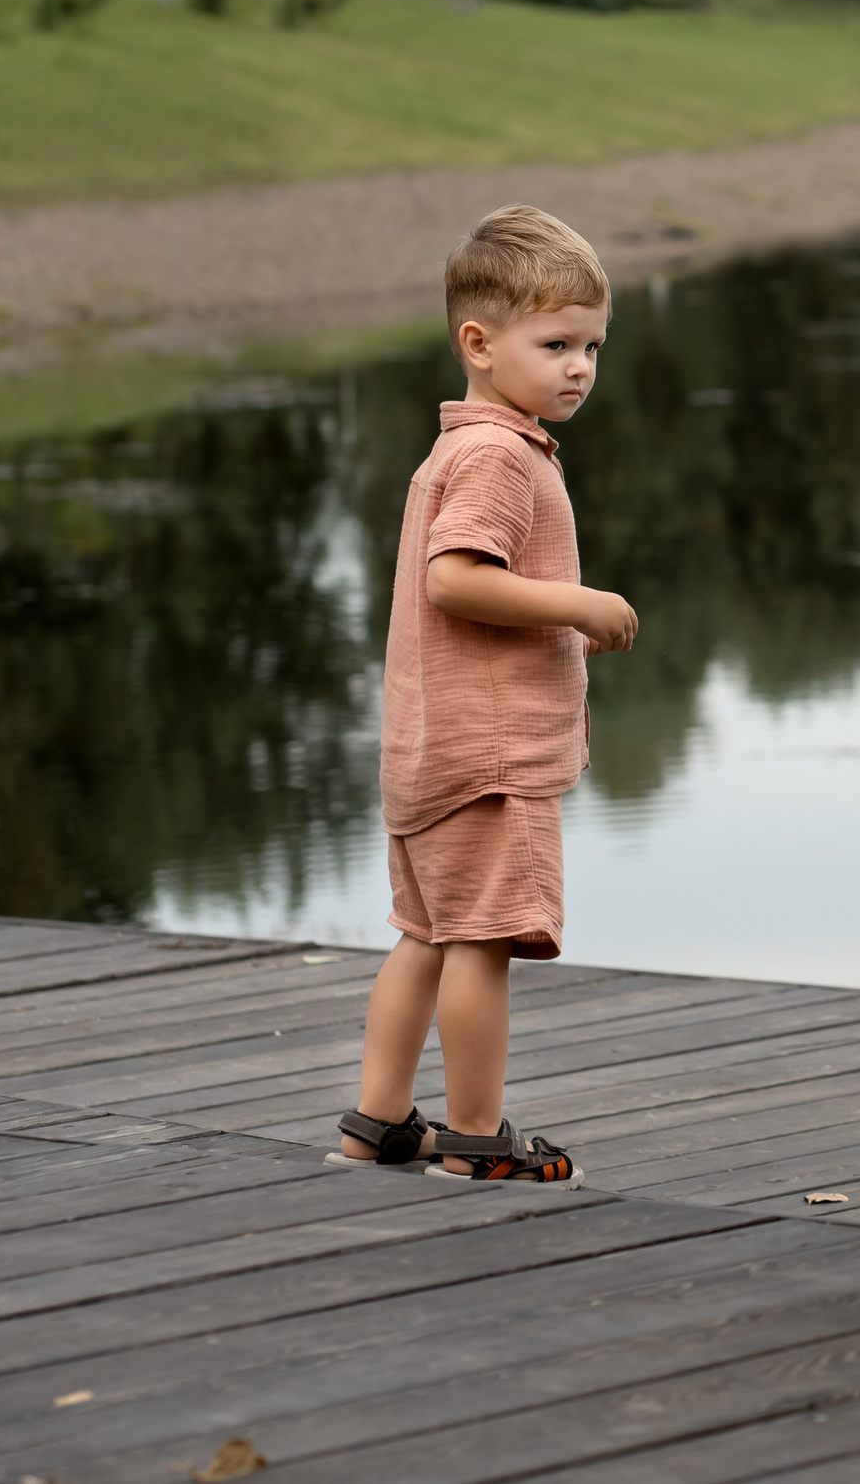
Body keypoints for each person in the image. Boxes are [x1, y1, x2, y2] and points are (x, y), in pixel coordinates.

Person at [328, 204, 639, 1185]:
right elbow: (454, 579)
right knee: (483, 943)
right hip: (490, 761)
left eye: (591, 344)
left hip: (429, 751)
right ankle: (474, 1139)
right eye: (555, 344)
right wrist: (579, 605)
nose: (579, 366)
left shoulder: (457, 449)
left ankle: (378, 1122)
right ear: (478, 342)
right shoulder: (501, 456)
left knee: (423, 935)